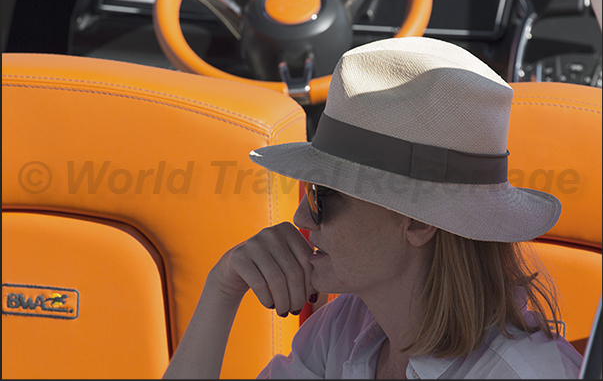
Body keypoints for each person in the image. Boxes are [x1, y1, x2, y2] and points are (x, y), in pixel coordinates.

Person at [163, 37, 583, 379]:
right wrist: (222, 288)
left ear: (417, 222)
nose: (302, 218)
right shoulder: (347, 327)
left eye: (322, 196)